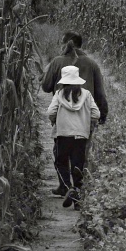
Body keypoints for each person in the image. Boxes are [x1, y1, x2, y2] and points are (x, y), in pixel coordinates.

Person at [41, 30, 108, 197]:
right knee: (80, 154)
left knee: (61, 154)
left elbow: (46, 86)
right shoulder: (92, 64)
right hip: (85, 119)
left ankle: (64, 185)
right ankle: (77, 188)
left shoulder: (57, 62)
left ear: (65, 44)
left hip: (62, 120)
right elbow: (100, 94)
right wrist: (102, 115)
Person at [47, 65, 100, 208]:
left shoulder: (59, 94)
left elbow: (51, 112)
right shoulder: (87, 94)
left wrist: (54, 120)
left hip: (63, 134)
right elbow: (96, 114)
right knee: (78, 164)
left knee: (61, 162)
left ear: (64, 80)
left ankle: (68, 187)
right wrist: (87, 124)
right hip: (81, 135)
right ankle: (77, 193)